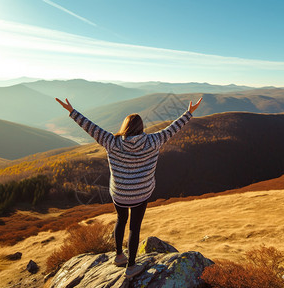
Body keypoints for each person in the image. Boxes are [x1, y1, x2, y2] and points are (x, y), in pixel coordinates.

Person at [55, 97, 202, 278]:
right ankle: (131, 266)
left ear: (125, 127)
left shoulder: (111, 141)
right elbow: (173, 129)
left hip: (119, 194)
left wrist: (72, 111)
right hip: (141, 193)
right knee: (134, 228)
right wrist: (189, 113)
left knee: (121, 220)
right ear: (141, 127)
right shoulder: (153, 141)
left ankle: (118, 256)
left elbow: (90, 128)